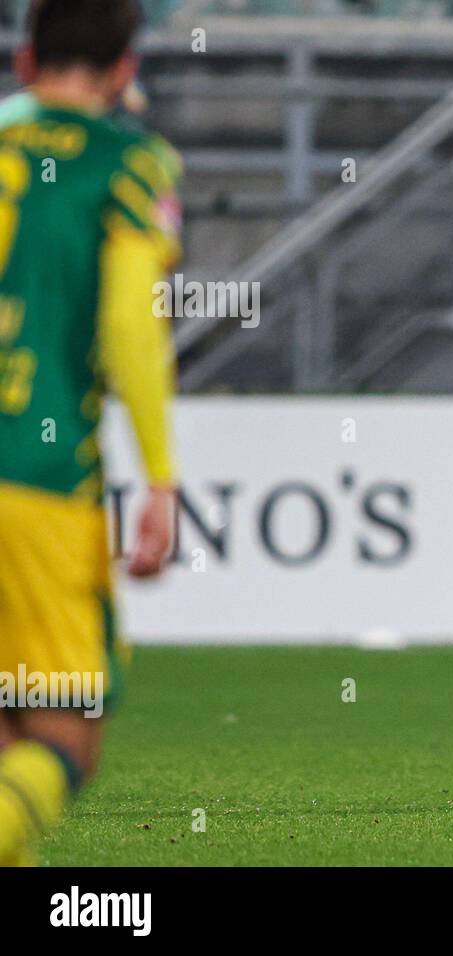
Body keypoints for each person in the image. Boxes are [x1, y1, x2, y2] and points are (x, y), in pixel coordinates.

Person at [0, 0, 181, 864]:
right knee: (64, 732)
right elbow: (129, 327)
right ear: (124, 69)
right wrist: (159, 475)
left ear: (26, 56)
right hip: (36, 479)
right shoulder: (130, 164)